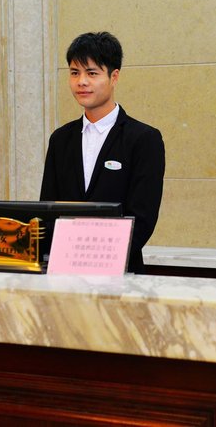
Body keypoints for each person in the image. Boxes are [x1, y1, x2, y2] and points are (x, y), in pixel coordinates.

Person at [40, 32, 165, 273]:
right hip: (64, 272)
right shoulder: (60, 139)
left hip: (121, 273)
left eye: (92, 73)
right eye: (74, 73)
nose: (81, 82)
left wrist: (100, 261)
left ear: (114, 77)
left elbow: (143, 217)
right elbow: (48, 208)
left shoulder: (144, 139)